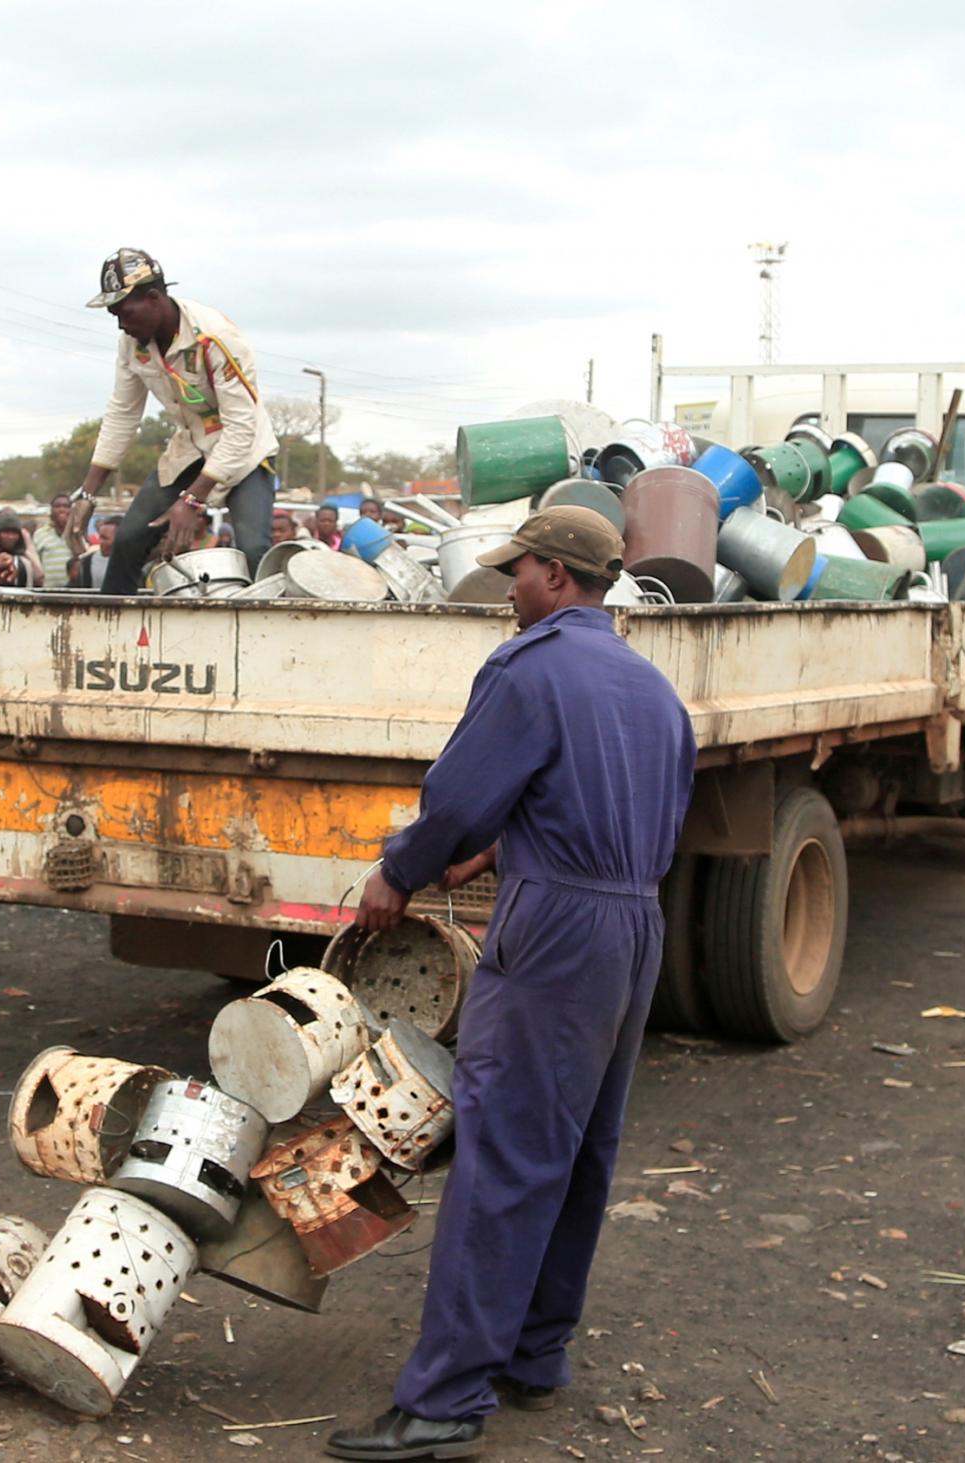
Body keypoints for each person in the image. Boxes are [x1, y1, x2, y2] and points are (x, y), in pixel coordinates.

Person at [329, 506, 695, 1462]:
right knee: (577, 1148)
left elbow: (455, 793)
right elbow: (610, 800)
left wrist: (399, 871)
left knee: (505, 1153)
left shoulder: (529, 667)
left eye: (519, 571)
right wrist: (509, 841)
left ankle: (445, 1400)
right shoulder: (653, 688)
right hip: (633, 922)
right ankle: (536, 1353)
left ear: (558, 576)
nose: (509, 587)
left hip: (558, 929)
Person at [75, 248, 281, 592]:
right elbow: (123, 413)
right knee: (129, 539)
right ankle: (114, 634)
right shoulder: (132, 344)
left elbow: (241, 427)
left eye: (125, 312)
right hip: (191, 446)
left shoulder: (214, 337)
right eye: (114, 315)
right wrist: (87, 493)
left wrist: (192, 501)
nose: (122, 324)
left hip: (244, 452)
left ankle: (267, 637)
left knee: (254, 550)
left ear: (154, 298)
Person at [31, 493, 78, 586]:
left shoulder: (78, 534)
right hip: (47, 593)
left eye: (66, 506)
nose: (62, 510)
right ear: (51, 511)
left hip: (74, 592)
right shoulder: (40, 535)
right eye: (57, 506)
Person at [0, 512, 42, 586]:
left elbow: (39, 578)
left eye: (14, 533)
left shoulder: (23, 560)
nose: (10, 537)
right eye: (6, 532)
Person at [68, 514, 120, 590]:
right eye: (100, 537)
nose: (100, 541)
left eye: (105, 538)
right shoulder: (86, 563)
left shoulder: (133, 563)